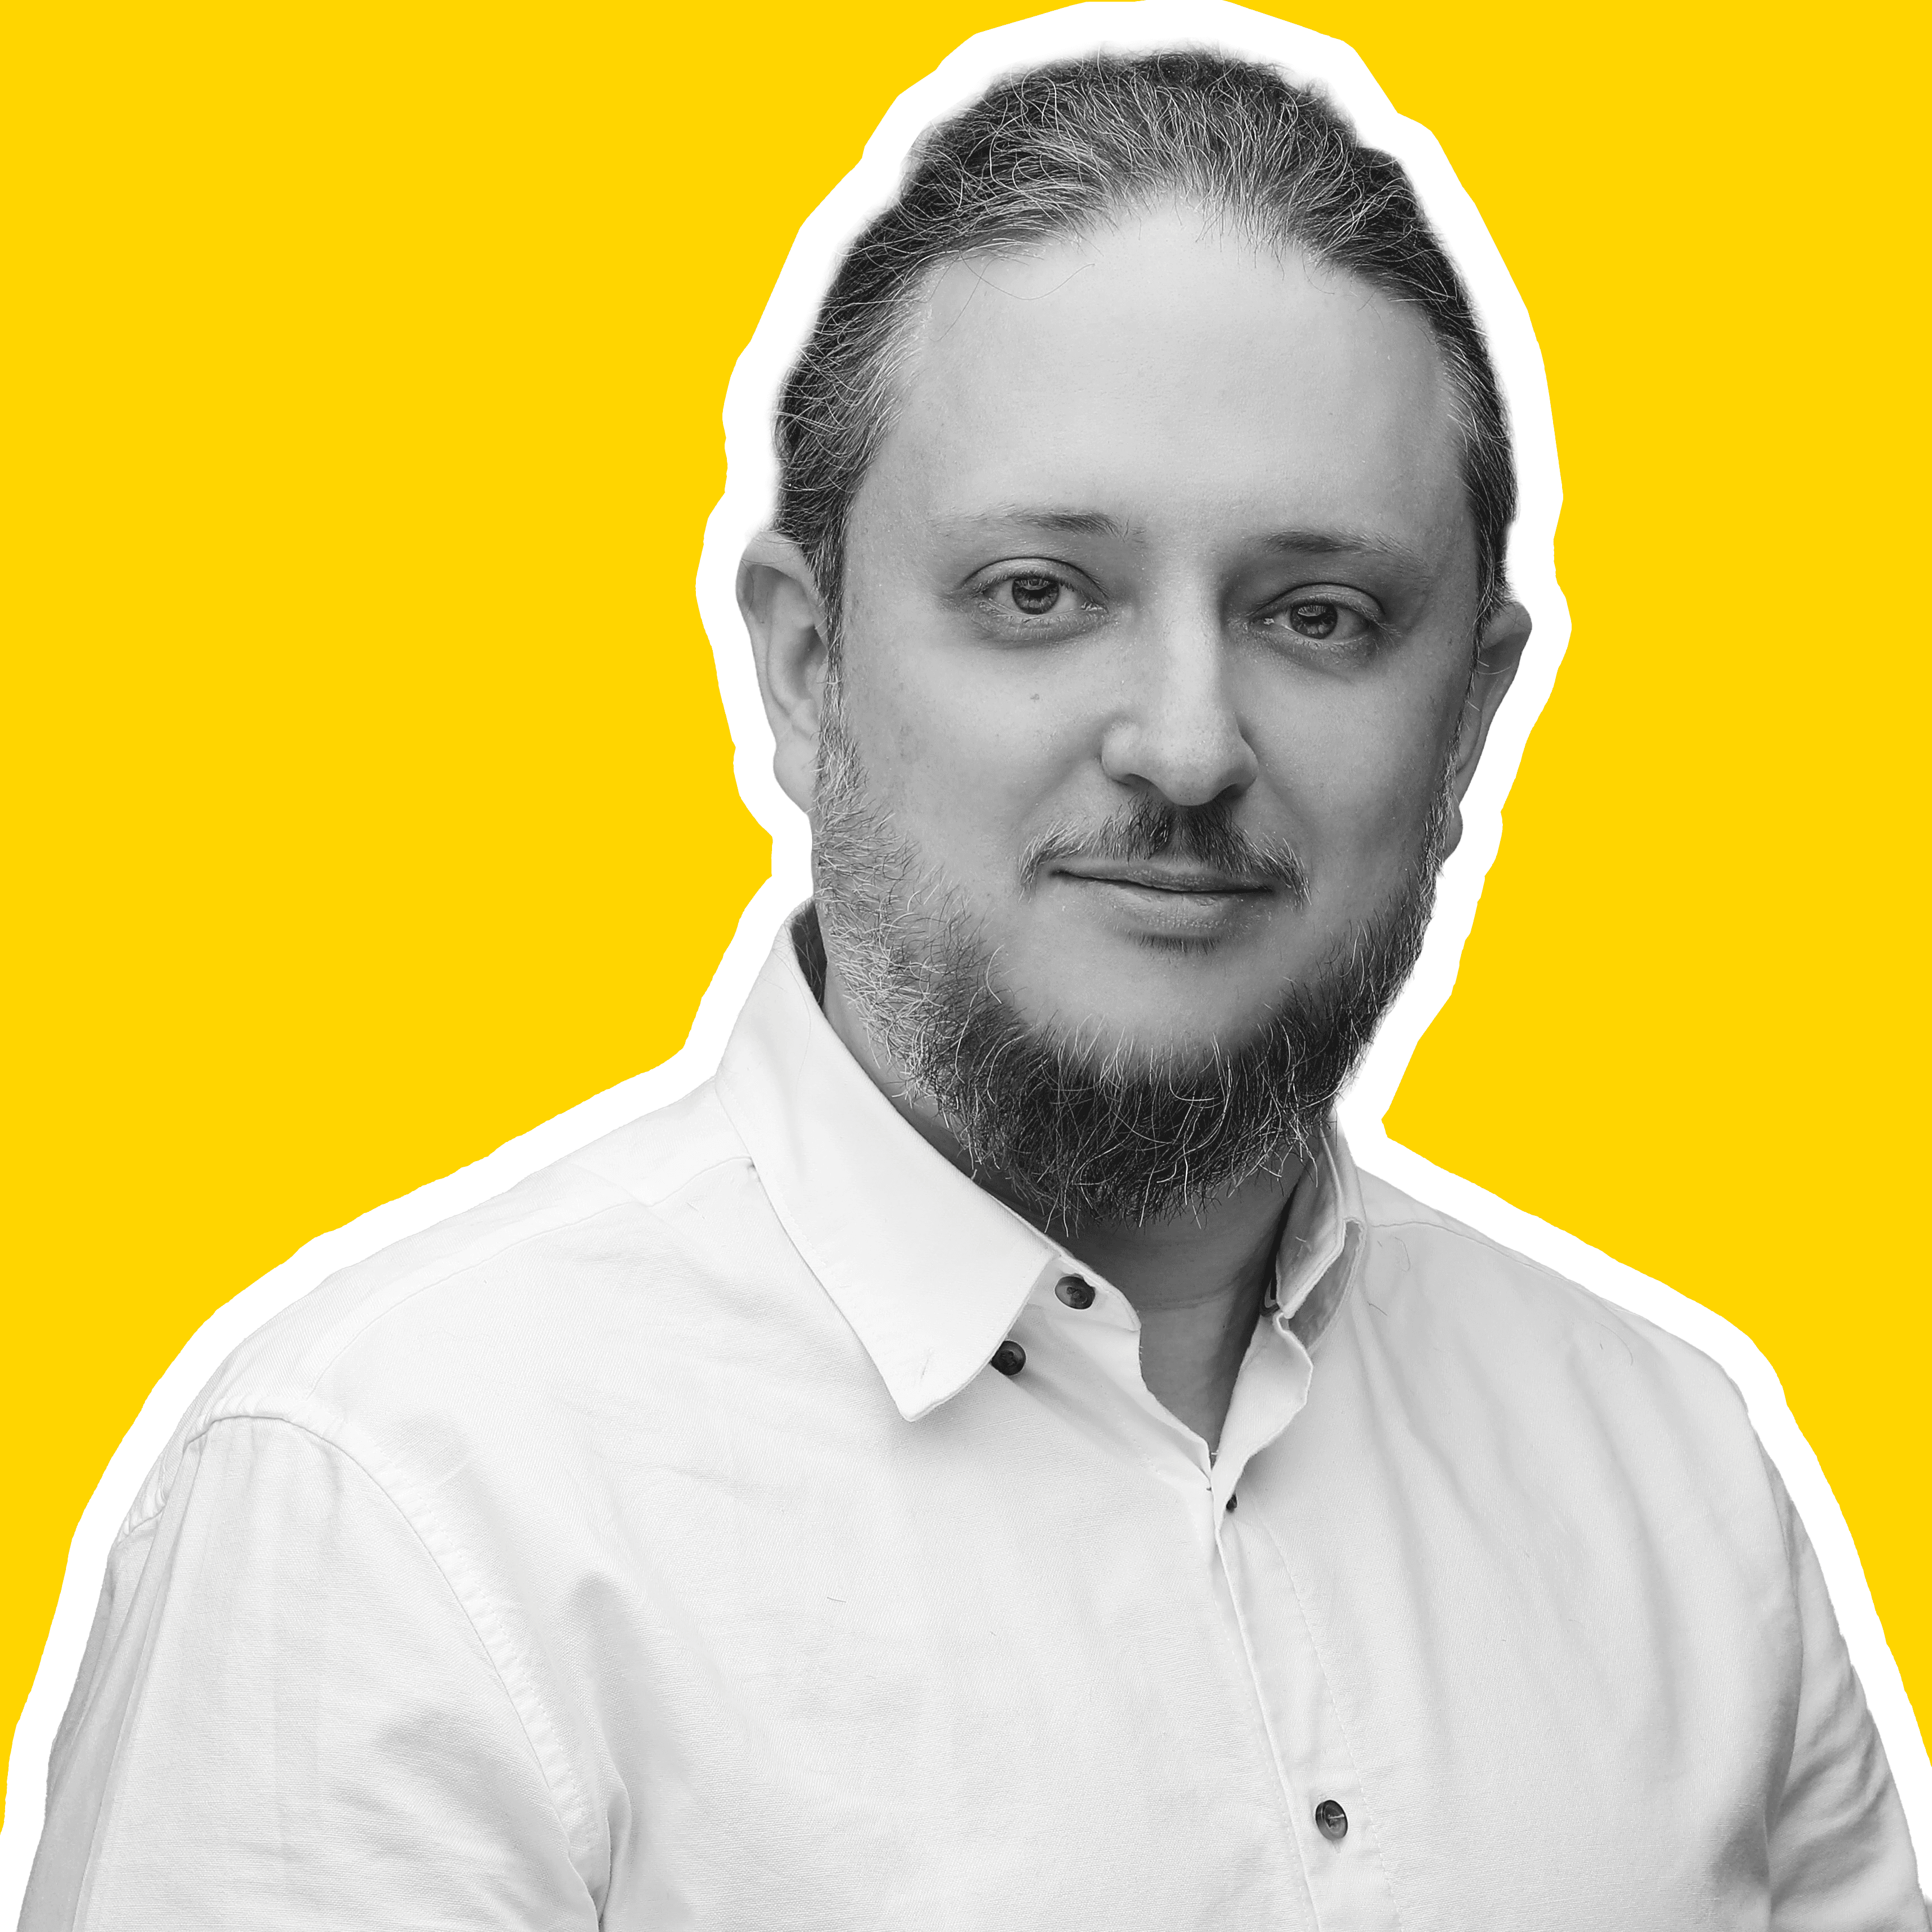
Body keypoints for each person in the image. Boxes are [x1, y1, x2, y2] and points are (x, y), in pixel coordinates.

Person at [19, 43, 1925, 1932]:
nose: (1187, 746)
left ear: (1473, 714)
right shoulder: (400, 1509)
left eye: (1318, 615)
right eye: (1040, 592)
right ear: (805, 667)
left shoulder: (1684, 1492)